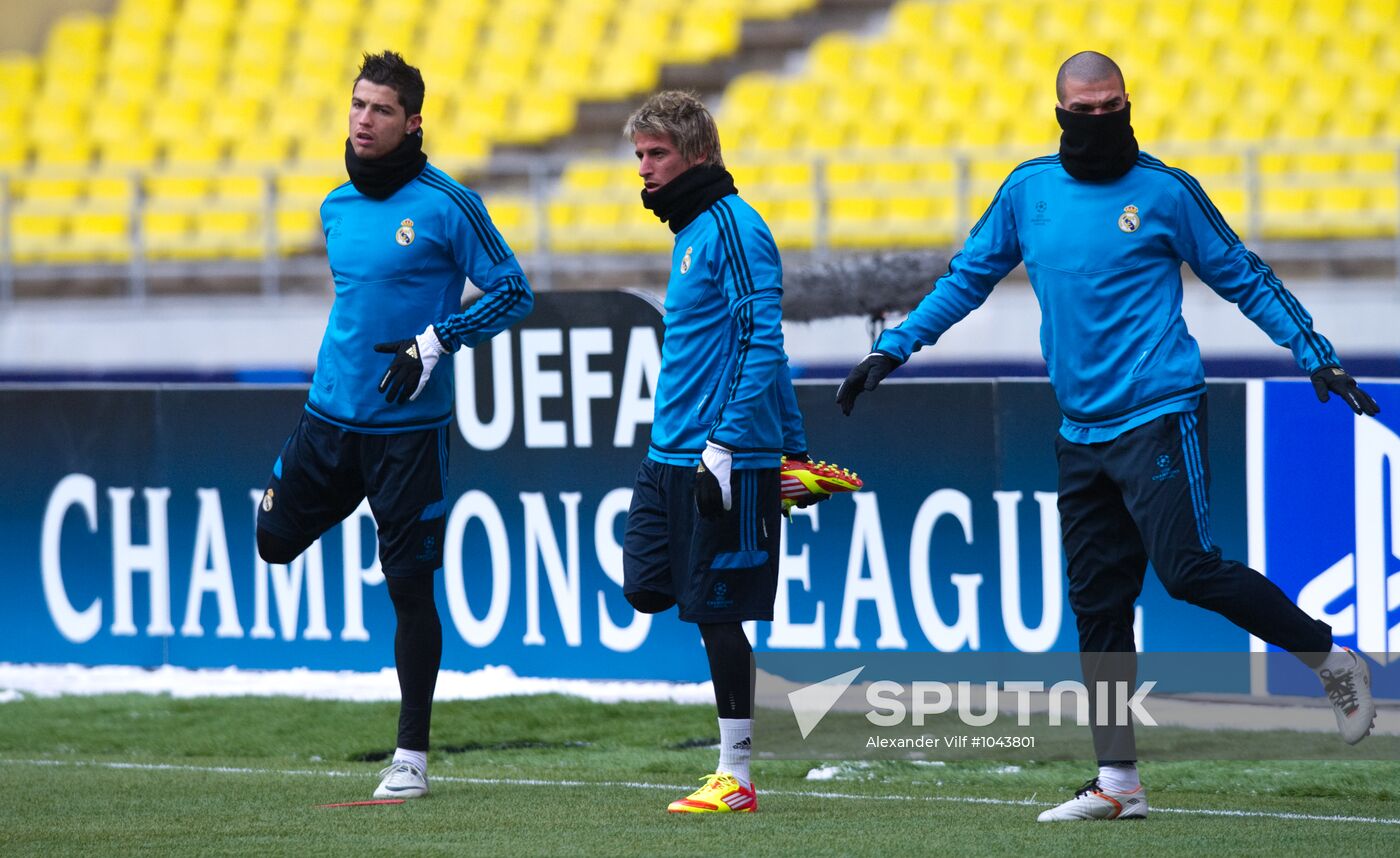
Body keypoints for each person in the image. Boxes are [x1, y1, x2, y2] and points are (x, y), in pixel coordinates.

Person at [836, 51, 1380, 822]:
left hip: (1159, 410)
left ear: (1129, 103)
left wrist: (1314, 353)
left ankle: (1331, 659)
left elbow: (1244, 274)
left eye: (1112, 105)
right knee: (1097, 606)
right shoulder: (1028, 192)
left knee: (1187, 570)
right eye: (1084, 110)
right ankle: (1118, 782)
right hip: (1080, 429)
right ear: (1059, 112)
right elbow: (966, 277)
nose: (1100, 120)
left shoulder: (1165, 191)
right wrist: (893, 348)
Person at [255, 51, 533, 800]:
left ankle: (411, 757)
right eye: (357, 105)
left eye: (380, 109)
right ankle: (347, 495)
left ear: (412, 122)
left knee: (409, 587)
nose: (363, 119)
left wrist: (437, 340)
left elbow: (514, 293)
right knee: (271, 543)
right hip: (327, 420)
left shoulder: (448, 203)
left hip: (409, 436)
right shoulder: (334, 207)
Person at [620, 90, 812, 814]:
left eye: (657, 154)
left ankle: (737, 775)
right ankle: (736, 765)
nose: (644, 167)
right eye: (639, 155)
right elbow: (760, 350)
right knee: (645, 584)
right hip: (670, 453)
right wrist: (794, 445)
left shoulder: (734, 226)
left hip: (720, 455)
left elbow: (766, 339)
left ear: (698, 154)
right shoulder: (692, 229)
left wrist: (739, 446)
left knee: (715, 611)